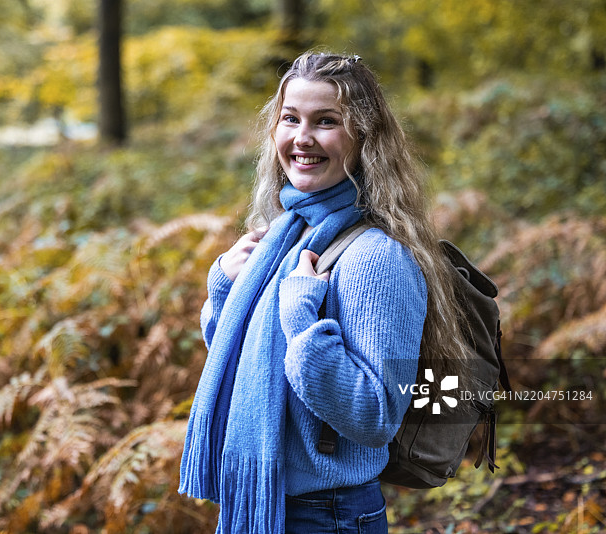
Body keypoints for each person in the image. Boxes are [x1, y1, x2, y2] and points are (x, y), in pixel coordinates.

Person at [179, 51, 470, 534]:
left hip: (327, 516)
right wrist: (227, 284)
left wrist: (302, 323)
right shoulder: (283, 235)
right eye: (290, 118)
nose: (302, 137)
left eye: (326, 121)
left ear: (364, 139)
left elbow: (375, 415)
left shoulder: (376, 258)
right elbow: (239, 362)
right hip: (264, 505)